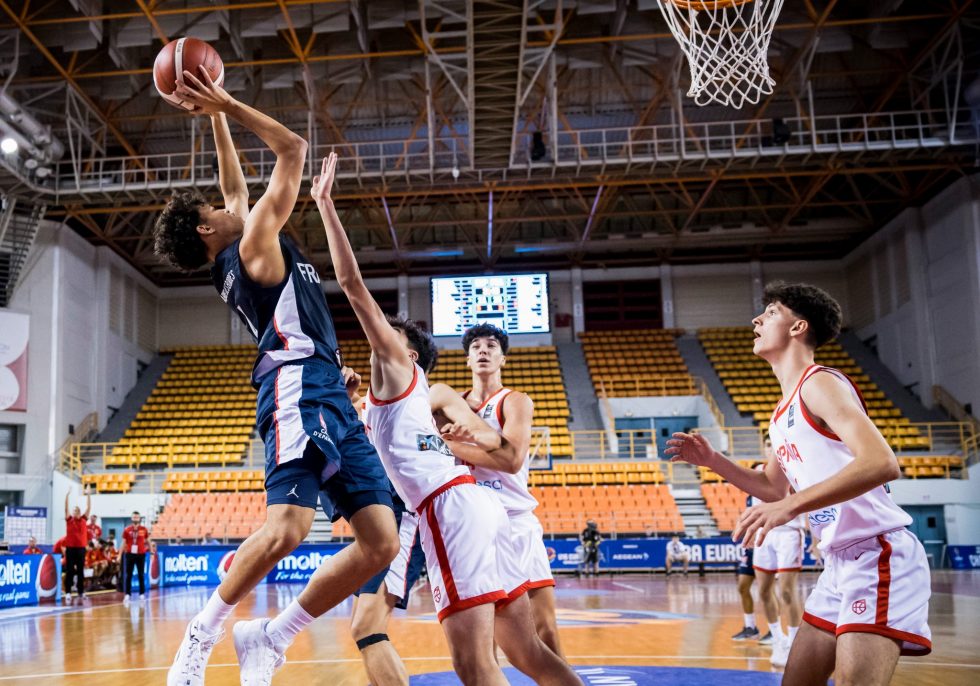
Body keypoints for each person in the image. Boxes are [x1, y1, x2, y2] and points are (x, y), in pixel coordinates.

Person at [155, 68, 399, 686]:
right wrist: (229, 100)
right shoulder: (255, 245)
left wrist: (211, 113)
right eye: (215, 208)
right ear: (211, 230)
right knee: (288, 527)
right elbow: (292, 149)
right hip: (295, 383)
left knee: (381, 542)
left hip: (322, 387)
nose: (226, 202)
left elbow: (234, 187)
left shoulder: (239, 248)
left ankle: (271, 636)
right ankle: (201, 635)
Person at [313, 152, 581, 686]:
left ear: (406, 356)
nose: (376, 342)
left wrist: (324, 205)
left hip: (458, 512)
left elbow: (350, 283)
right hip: (474, 508)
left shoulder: (425, 384)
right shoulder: (423, 399)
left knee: (481, 659)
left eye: (390, 339)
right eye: (475, 344)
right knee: (520, 648)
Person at [667, 282, 931, 685]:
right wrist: (713, 461)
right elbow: (773, 489)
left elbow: (881, 462)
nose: (757, 319)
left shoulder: (819, 383)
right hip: (838, 564)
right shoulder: (780, 411)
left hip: (878, 552)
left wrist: (792, 507)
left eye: (771, 312)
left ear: (797, 327)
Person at [451, 322, 565, 658]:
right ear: (467, 360)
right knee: (481, 634)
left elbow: (511, 461)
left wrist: (448, 445)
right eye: (475, 347)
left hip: (514, 520)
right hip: (470, 525)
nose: (483, 350)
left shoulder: (515, 401)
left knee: (543, 627)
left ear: (504, 359)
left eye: (491, 346)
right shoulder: (451, 402)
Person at [342, 366, 427, 686]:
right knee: (364, 630)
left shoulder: (415, 401)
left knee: (367, 627)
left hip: (400, 517)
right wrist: (347, 401)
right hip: (372, 523)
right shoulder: (367, 404)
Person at [750, 444, 805, 665]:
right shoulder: (756, 472)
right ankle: (778, 638)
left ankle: (793, 643)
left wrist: (815, 539)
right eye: (767, 445)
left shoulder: (794, 471)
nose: (771, 448)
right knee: (763, 591)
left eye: (774, 445)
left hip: (789, 534)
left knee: (787, 591)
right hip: (764, 534)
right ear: (763, 449)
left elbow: (807, 504)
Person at [731, 533, 760, 641]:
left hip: (765, 545)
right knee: (742, 587)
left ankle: (775, 631)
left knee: (766, 590)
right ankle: (750, 628)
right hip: (750, 549)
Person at [64, 491, 90, 601]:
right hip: (70, 549)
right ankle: (68, 592)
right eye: (74, 510)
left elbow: (89, 507)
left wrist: (88, 495)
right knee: (70, 570)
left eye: (77, 510)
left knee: (80, 571)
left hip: (81, 549)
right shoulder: (69, 520)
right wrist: (67, 496)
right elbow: (66, 509)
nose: (76, 512)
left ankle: (80, 591)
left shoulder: (84, 519)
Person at [122, 511, 150, 605]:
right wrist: (119, 554)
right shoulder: (127, 529)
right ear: (131, 518)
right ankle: (127, 594)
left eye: (137, 517)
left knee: (141, 574)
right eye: (134, 517)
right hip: (130, 554)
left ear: (140, 518)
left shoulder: (144, 529)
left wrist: (151, 549)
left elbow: (148, 540)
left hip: (141, 554)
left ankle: (142, 593)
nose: (135, 518)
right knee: (128, 575)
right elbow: (123, 542)